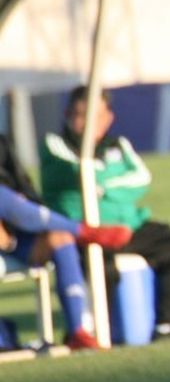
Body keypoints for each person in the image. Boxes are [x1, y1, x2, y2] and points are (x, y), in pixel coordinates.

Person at [41, 87, 170, 339]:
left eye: (96, 116)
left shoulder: (118, 145)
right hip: (83, 231)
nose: (88, 124)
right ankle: (92, 334)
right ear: (68, 114)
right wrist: (110, 176)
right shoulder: (55, 145)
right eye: (82, 116)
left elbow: (140, 179)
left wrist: (104, 187)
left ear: (108, 118)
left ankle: (169, 326)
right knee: (101, 271)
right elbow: (78, 173)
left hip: (125, 227)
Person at [2, 130, 132, 350]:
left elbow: (20, 182)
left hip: (13, 236)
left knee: (59, 238)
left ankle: (77, 332)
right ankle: (84, 231)